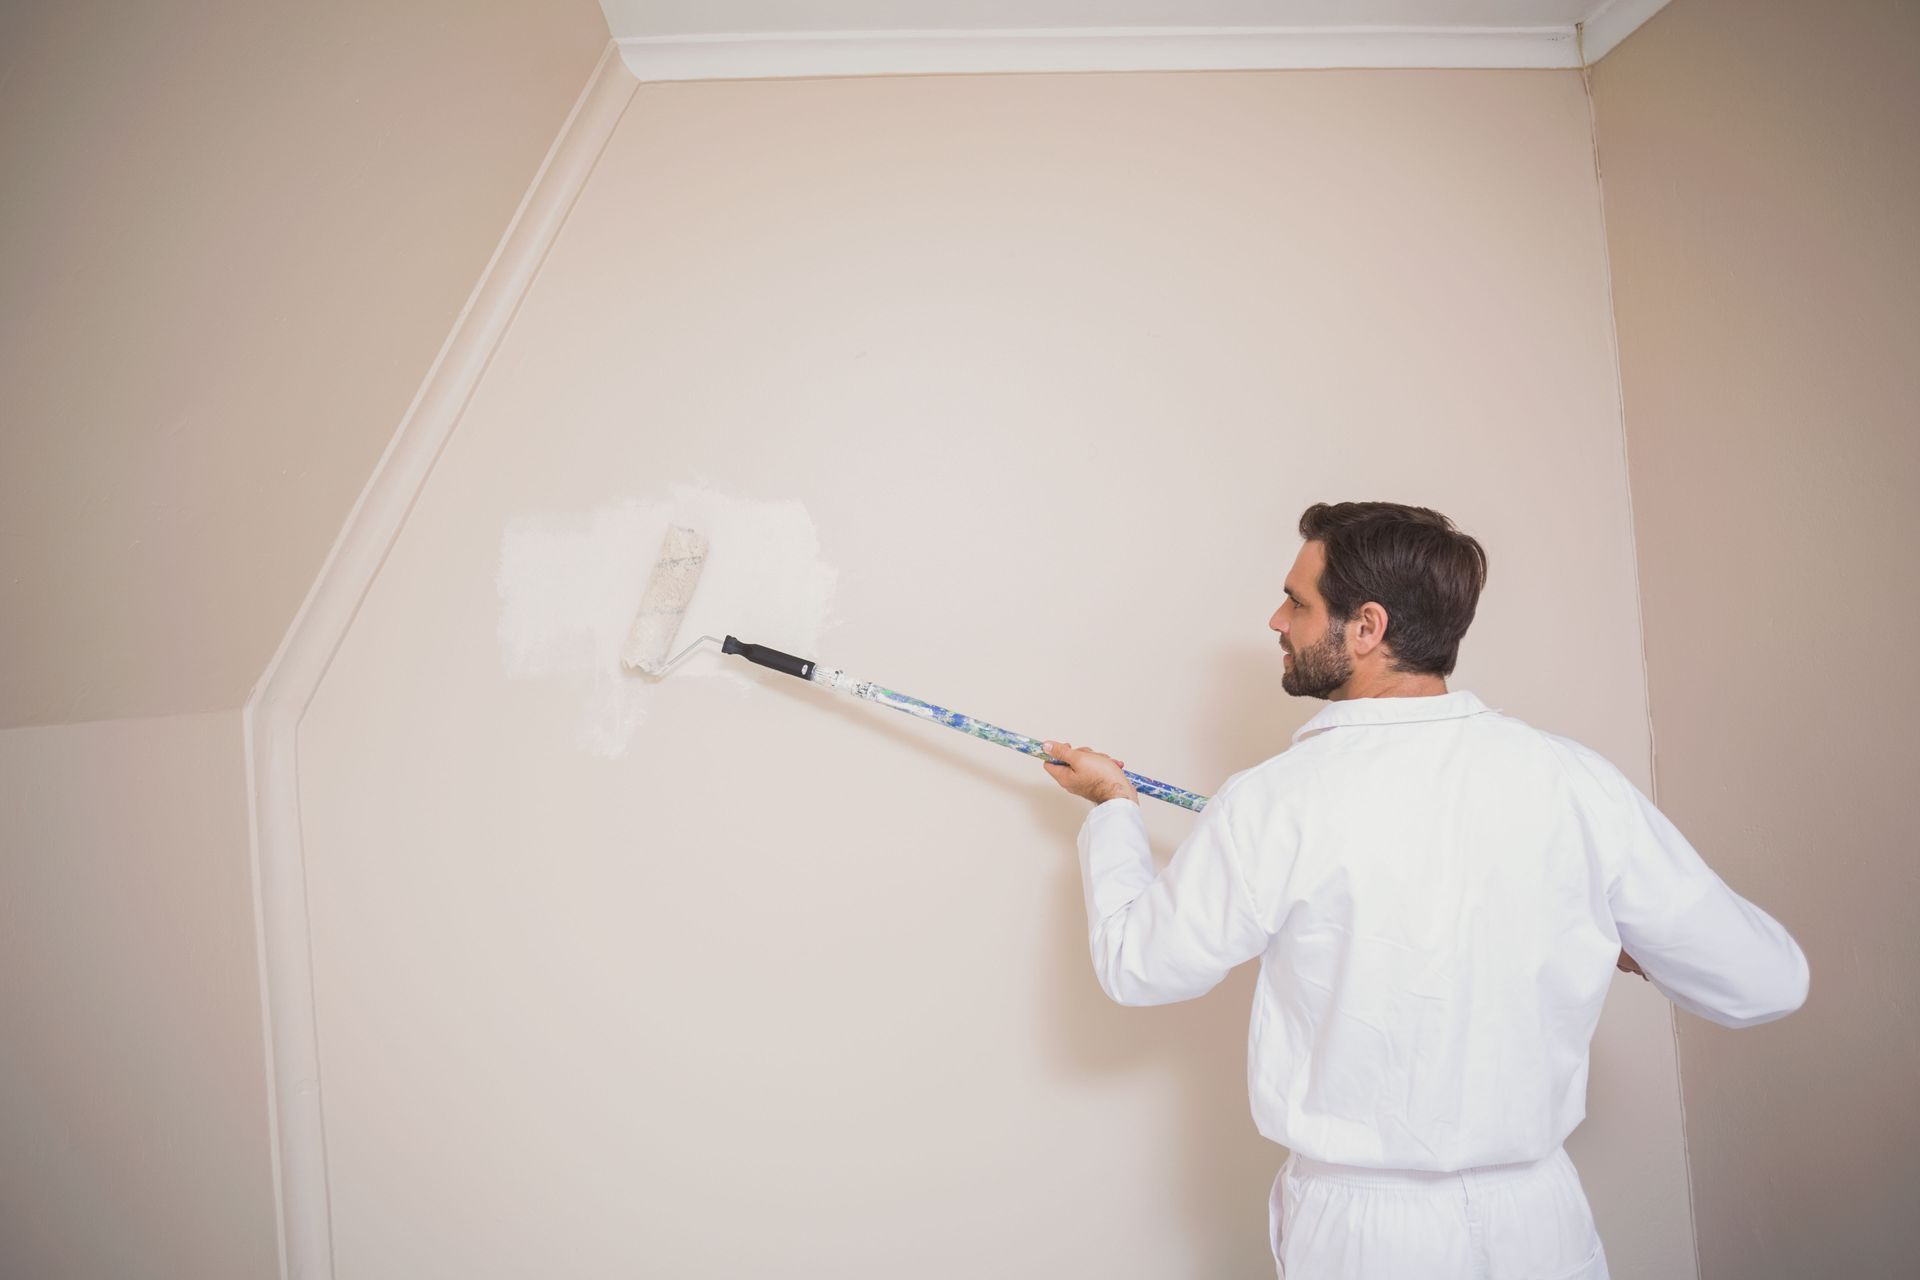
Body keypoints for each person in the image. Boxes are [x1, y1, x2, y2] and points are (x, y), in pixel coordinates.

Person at [1041, 501, 1808, 1280]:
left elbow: (1140, 967)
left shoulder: (1275, 800)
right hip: (1541, 1225)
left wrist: (1113, 810)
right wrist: (1646, 948)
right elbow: (1766, 982)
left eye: (1298, 602)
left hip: (1365, 1242)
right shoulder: (1576, 784)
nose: (1277, 620)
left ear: (1367, 626)